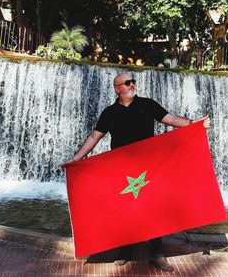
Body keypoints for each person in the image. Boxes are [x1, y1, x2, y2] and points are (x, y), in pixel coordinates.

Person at [65, 73, 210, 272]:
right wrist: (76, 160)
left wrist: (195, 124)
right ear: (117, 88)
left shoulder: (148, 104)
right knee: (126, 210)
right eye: (127, 82)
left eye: (133, 81)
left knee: (153, 210)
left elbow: (171, 119)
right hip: (121, 169)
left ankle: (157, 254)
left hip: (149, 167)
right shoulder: (109, 112)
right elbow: (94, 137)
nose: (132, 84)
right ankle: (125, 252)